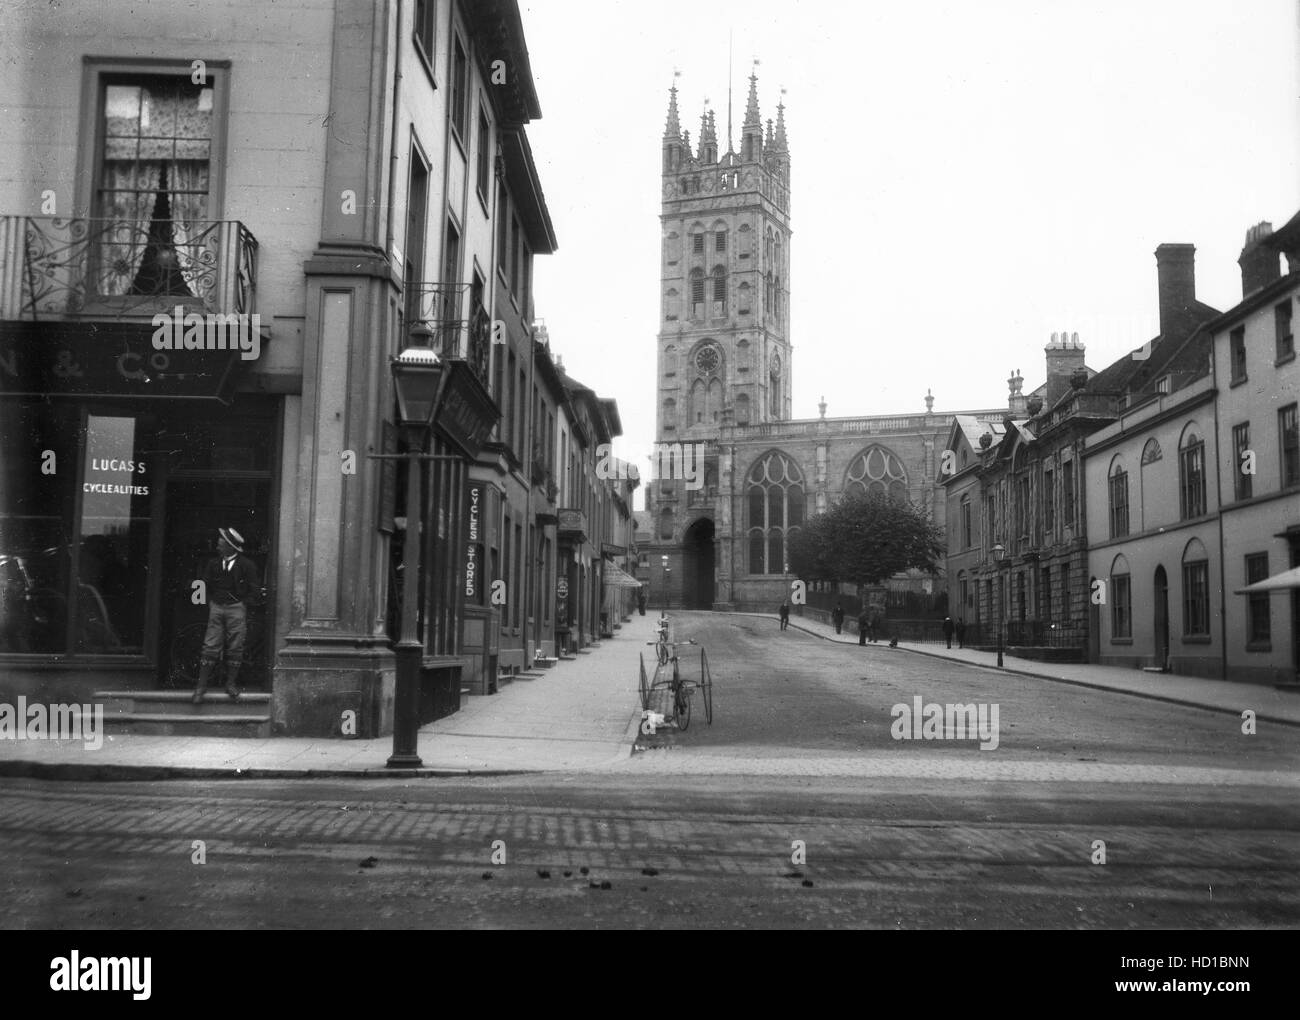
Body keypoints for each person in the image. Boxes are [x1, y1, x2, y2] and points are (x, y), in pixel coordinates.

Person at [195, 526, 260, 703]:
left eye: (220, 544)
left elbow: (255, 590)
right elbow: (201, 585)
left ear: (230, 547)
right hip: (216, 607)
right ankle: (201, 687)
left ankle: (230, 684)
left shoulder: (247, 565)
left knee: (236, 646)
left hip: (236, 609)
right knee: (210, 646)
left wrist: (243, 604)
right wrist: (206, 603)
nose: (217, 547)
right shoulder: (212, 564)